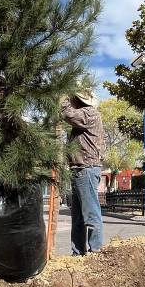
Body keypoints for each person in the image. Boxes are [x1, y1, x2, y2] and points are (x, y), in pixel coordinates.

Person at [61, 90, 106, 254]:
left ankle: (96, 251)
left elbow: (68, 114)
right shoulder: (85, 115)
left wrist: (62, 97)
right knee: (78, 216)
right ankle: (78, 252)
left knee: (90, 213)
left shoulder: (89, 113)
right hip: (80, 168)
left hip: (85, 168)